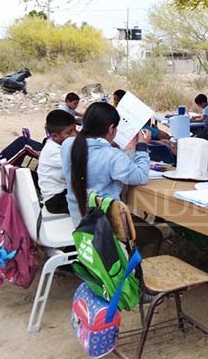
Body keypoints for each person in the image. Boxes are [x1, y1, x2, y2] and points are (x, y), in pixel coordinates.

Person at [61, 102, 162, 257]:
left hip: (80, 222)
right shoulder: (112, 156)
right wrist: (142, 146)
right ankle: (131, 274)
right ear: (111, 129)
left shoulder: (68, 145)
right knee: (154, 236)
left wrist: (109, 143)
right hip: (106, 226)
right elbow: (141, 176)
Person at [37, 109, 77, 214]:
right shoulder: (53, 151)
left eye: (74, 130)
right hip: (55, 200)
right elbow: (79, 165)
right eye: (69, 132)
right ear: (55, 136)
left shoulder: (60, 146)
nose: (74, 135)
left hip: (62, 193)